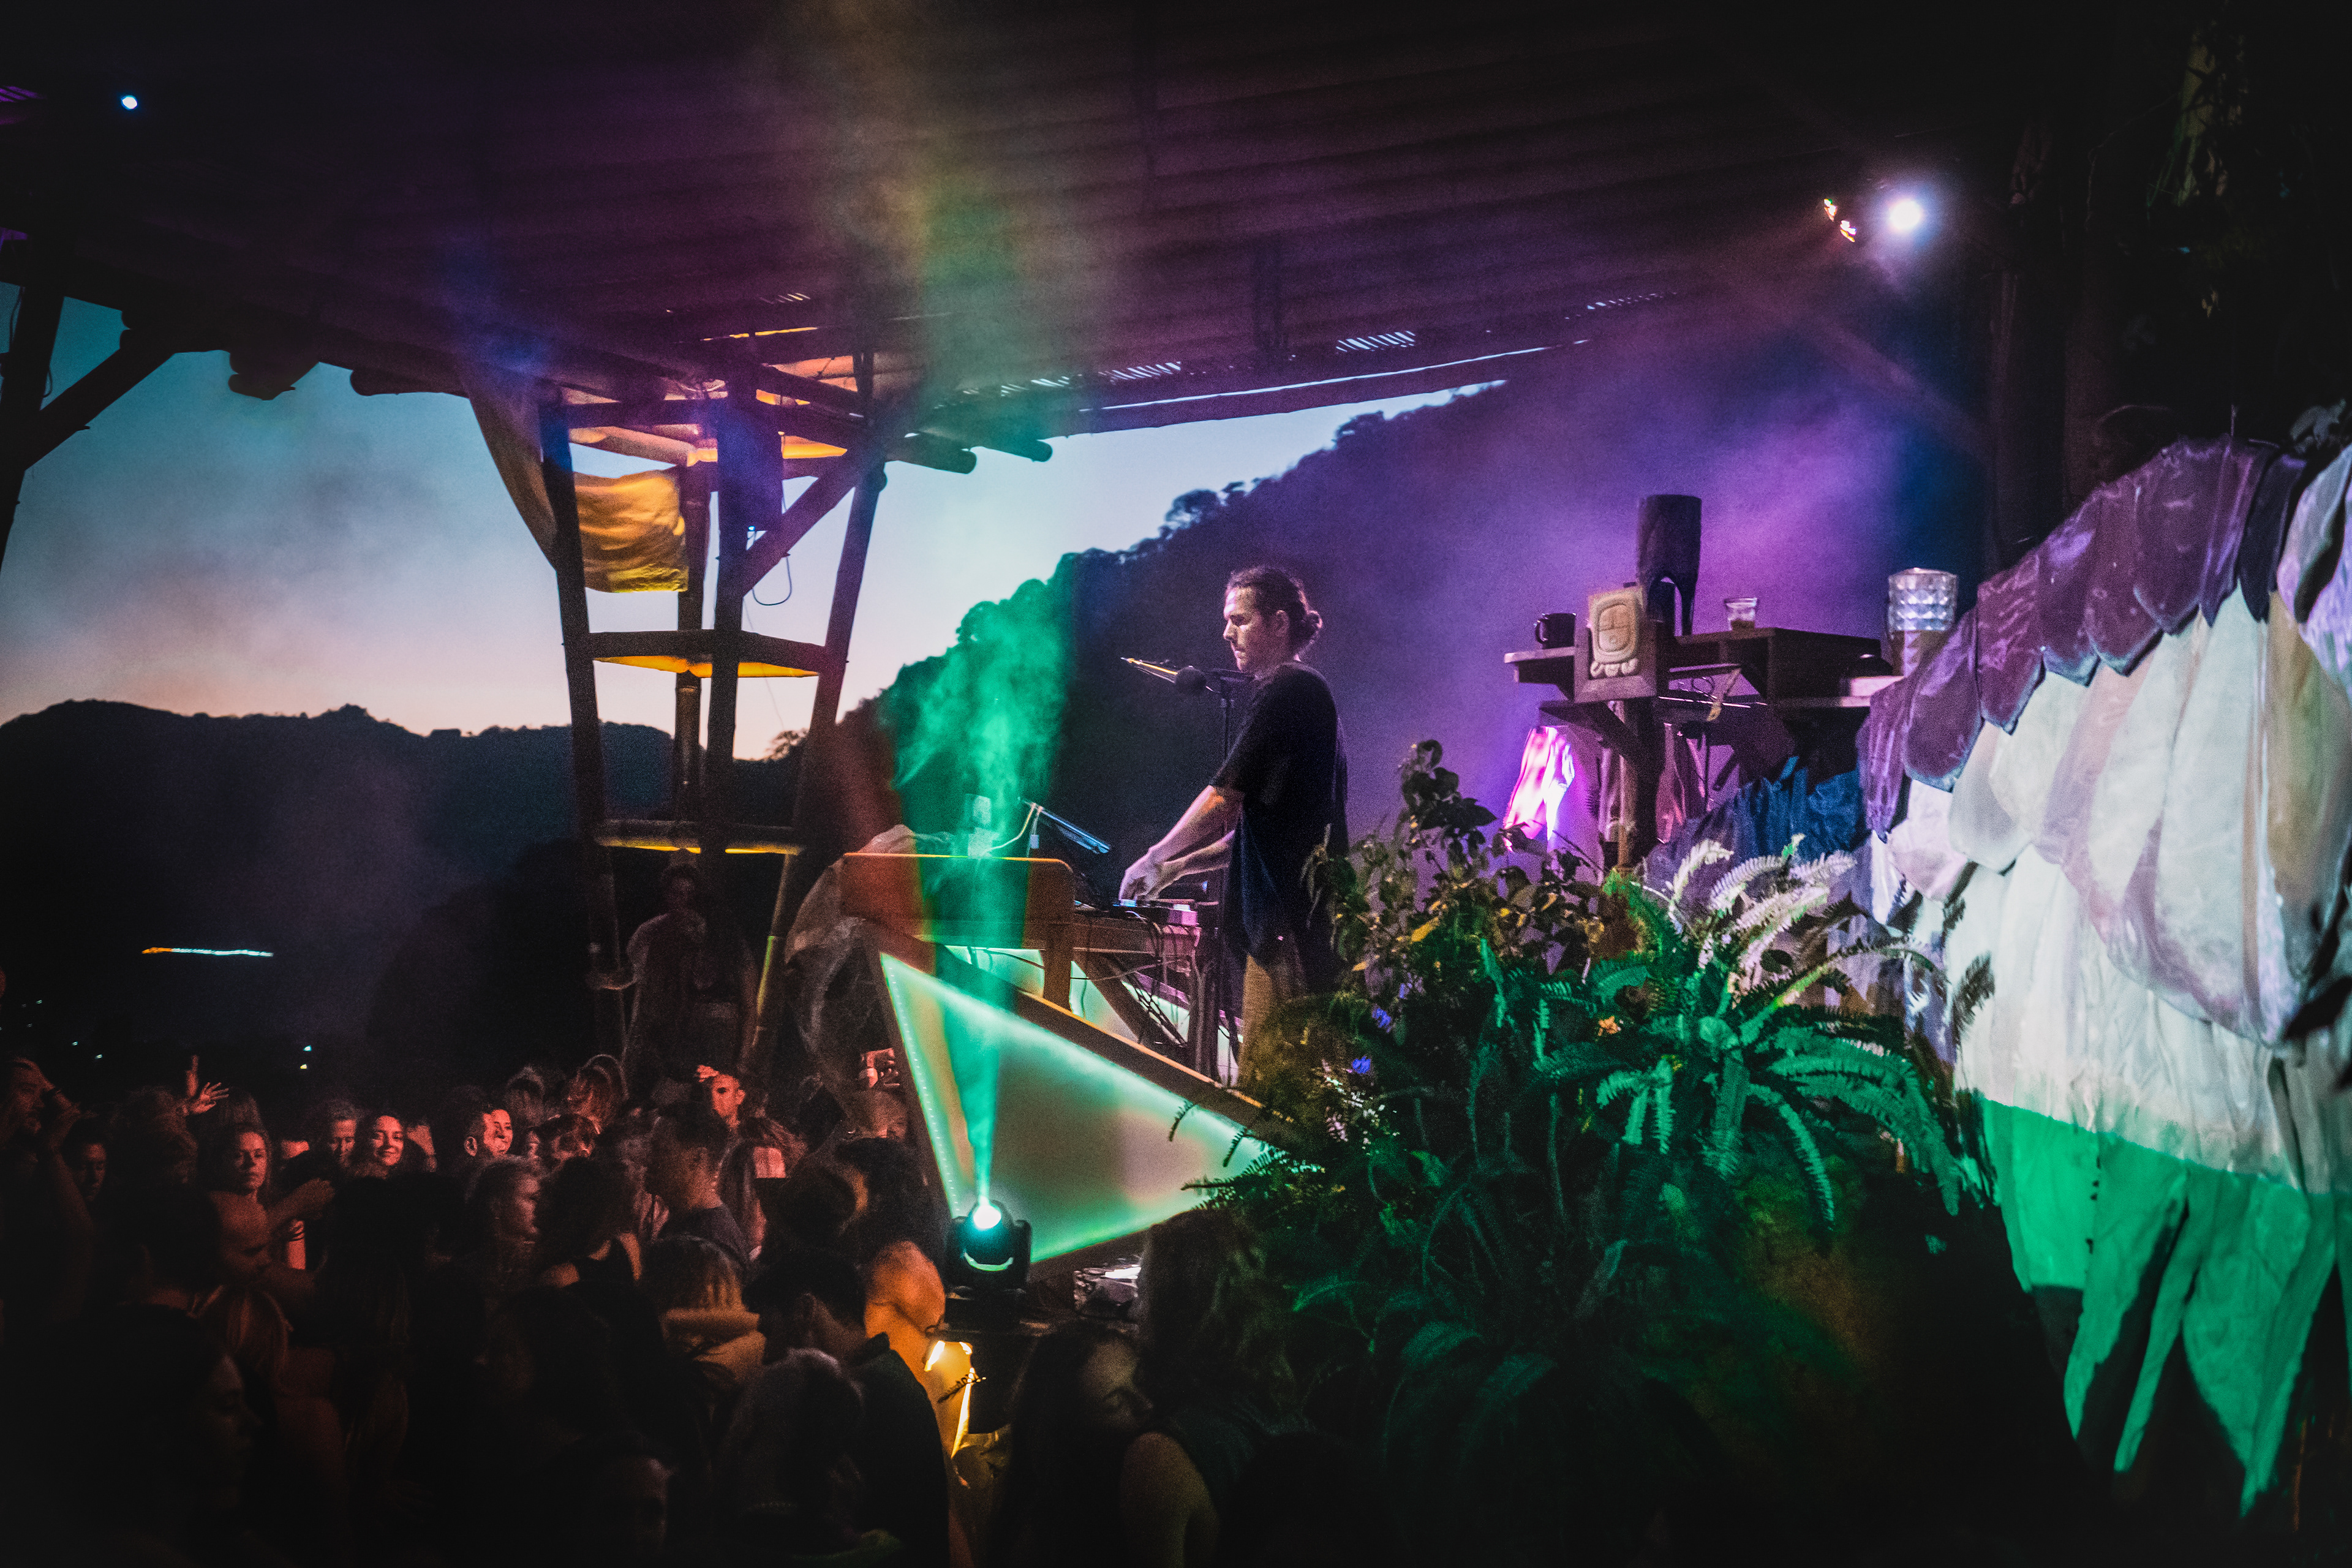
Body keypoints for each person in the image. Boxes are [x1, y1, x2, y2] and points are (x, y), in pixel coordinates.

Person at [1119, 566, 1348, 1083]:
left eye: (1239, 620)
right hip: (1293, 922)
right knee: (1295, 1083)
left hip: (1287, 920)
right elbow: (1254, 829)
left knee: (1271, 1090)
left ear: (1279, 622)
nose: (1227, 634)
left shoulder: (1287, 688)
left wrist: (1156, 855)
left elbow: (1226, 796)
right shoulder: (1300, 693)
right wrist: (1178, 867)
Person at [1120, 1209, 1299, 1568]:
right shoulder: (1289, 1420)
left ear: (1170, 1308)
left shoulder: (1163, 1459)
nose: (1134, 1312)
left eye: (1143, 1293)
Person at [750, 1246, 949, 1567]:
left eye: (770, 1330)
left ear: (805, 1312)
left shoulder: (867, 1395)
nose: (767, 1355)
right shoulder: (886, 1380)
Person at [989, 1320, 1152, 1568]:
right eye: (1115, 1403)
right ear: (1072, 1434)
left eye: (1142, 1380)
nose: (1146, 1404)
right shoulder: (1045, 1541)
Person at [608, 861, 757, 1107]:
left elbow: (750, 1008)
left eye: (690, 895)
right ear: (667, 895)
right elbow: (633, 973)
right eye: (678, 893)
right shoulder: (653, 933)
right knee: (654, 1100)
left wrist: (743, 1059)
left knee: (707, 1103)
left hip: (718, 1041)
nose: (684, 902)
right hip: (668, 1034)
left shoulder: (729, 947)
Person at [649, 1103, 750, 1270]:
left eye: (660, 1150)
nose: (649, 1159)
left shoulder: (712, 1247)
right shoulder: (685, 1223)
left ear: (697, 1159)